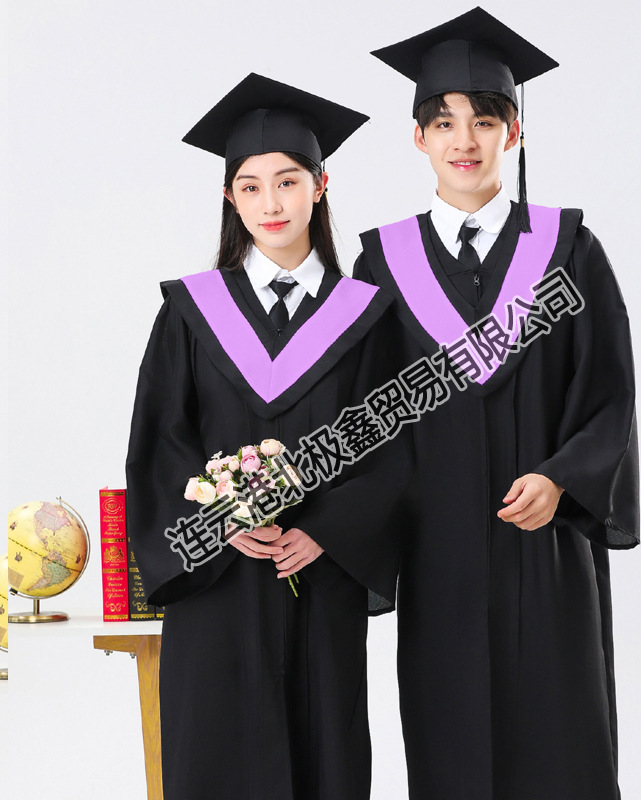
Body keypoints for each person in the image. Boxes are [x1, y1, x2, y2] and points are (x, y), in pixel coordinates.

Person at [356, 8, 640, 799]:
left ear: (513, 132)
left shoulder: (568, 249)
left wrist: (562, 478)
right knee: (450, 746)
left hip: (544, 549)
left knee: (559, 740)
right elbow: (365, 417)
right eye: (444, 122)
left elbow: (610, 392)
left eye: (485, 120)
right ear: (418, 138)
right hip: (437, 554)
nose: (465, 140)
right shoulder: (383, 265)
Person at [125, 73, 407, 800]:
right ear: (230, 198)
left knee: (324, 758)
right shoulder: (191, 314)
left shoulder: (365, 316)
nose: (271, 204)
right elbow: (160, 444)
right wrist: (219, 520)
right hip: (217, 586)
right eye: (250, 188)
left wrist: (328, 531)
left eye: (287, 182)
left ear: (320, 185)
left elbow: (392, 448)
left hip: (318, 580)